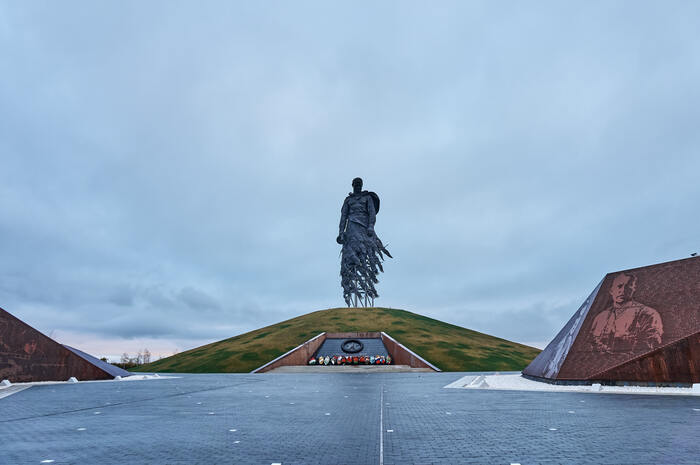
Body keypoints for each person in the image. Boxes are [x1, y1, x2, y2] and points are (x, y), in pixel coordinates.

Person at [337, 178, 391, 306]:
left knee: (365, 256)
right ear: (352, 185)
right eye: (356, 184)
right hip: (351, 229)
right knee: (351, 258)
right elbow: (343, 217)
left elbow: (372, 213)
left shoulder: (367, 198)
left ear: (362, 185)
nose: (357, 186)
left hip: (364, 228)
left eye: (359, 184)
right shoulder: (348, 200)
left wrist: (371, 226)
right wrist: (341, 232)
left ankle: (368, 287)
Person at [589, 273, 663, 355]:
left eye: (628, 286)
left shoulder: (648, 314)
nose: (623, 290)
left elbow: (651, 347)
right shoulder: (600, 318)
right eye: (619, 286)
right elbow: (592, 346)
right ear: (611, 290)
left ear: (634, 289)